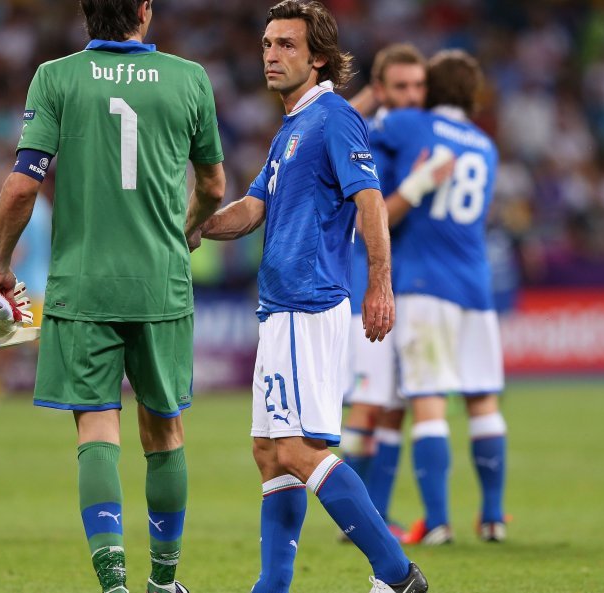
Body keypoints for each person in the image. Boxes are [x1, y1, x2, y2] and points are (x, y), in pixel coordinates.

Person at [0, 1, 226, 591]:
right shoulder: (190, 78)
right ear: (144, 10)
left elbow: (20, 187)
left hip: (82, 285)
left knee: (96, 427)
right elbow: (214, 185)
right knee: (164, 430)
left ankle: (113, 585)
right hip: (160, 281)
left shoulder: (56, 76)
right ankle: (163, 583)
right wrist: (187, 231)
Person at [193, 3, 427, 592]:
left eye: (286, 45)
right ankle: (272, 587)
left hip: (309, 301)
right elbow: (252, 210)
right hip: (278, 307)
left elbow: (369, 199)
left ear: (317, 56)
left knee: (298, 448)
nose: (271, 54)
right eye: (267, 43)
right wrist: (190, 226)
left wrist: (380, 282)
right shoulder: (292, 128)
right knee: (270, 453)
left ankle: (398, 575)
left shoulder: (333, 117)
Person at [369, 49, 508, 544]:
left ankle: (439, 523)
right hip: (477, 284)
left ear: (430, 90)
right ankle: (492, 517)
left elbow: (364, 129)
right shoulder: (486, 146)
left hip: (425, 282)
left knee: (428, 401)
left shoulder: (411, 125)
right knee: (483, 400)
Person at [337, 44, 429, 534]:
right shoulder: (368, 137)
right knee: (370, 403)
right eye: (400, 87)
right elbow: (367, 213)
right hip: (357, 286)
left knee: (392, 406)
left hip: (392, 289)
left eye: (418, 86)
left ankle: (378, 515)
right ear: (380, 90)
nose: (412, 96)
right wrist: (416, 188)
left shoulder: (409, 137)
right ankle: (354, 521)